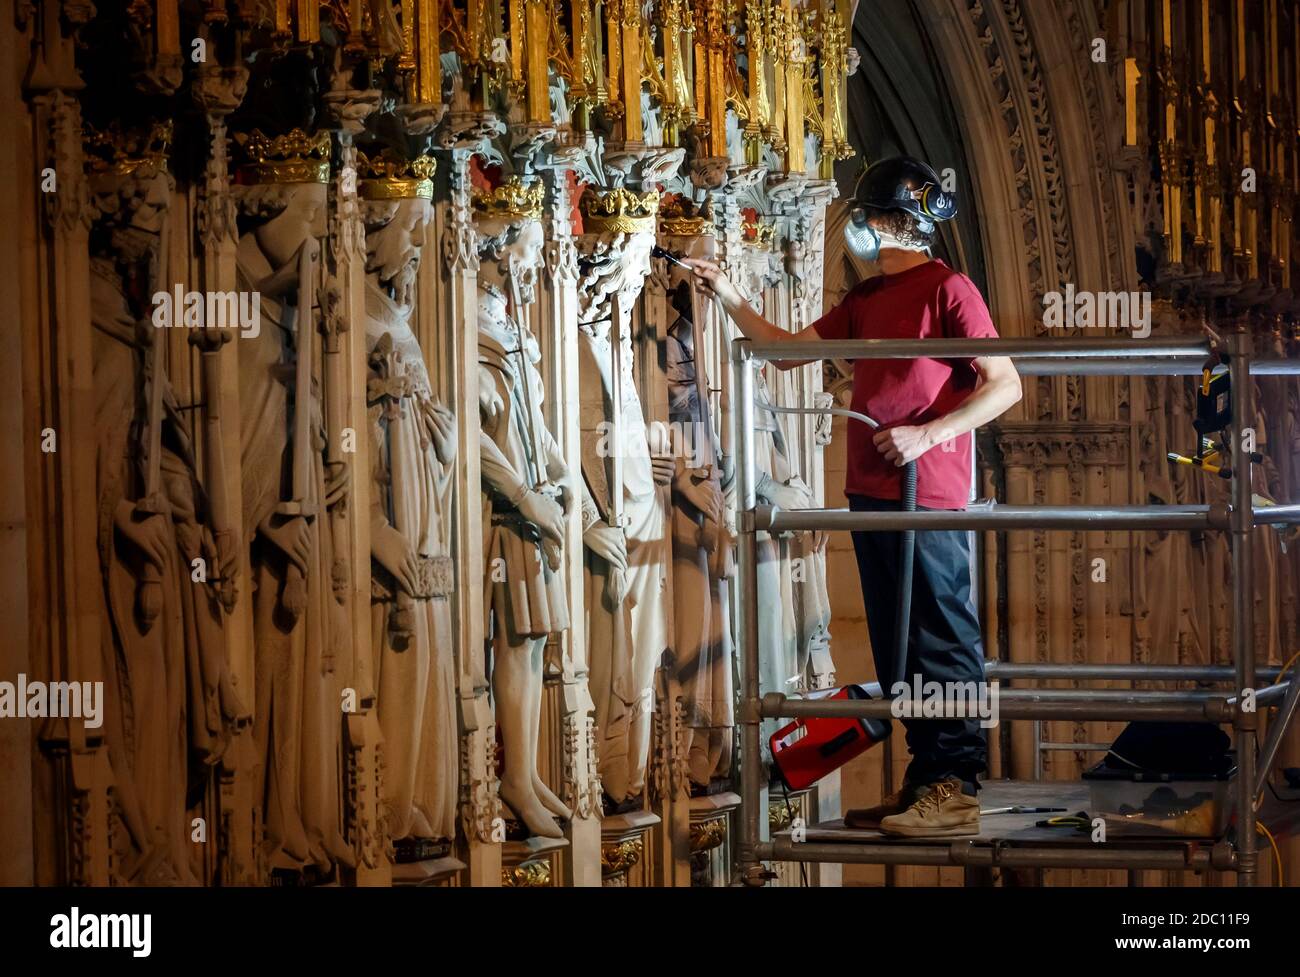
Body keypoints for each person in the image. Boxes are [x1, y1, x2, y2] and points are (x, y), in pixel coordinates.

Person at [685, 156, 1022, 838]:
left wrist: (928, 436)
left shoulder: (949, 289)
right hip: (872, 492)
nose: (862, 232)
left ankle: (954, 783)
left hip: (926, 494)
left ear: (874, 224)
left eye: (865, 221)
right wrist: (726, 292)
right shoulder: (865, 301)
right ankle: (927, 778)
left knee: (942, 633)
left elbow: (1006, 383)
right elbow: (783, 352)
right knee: (901, 645)